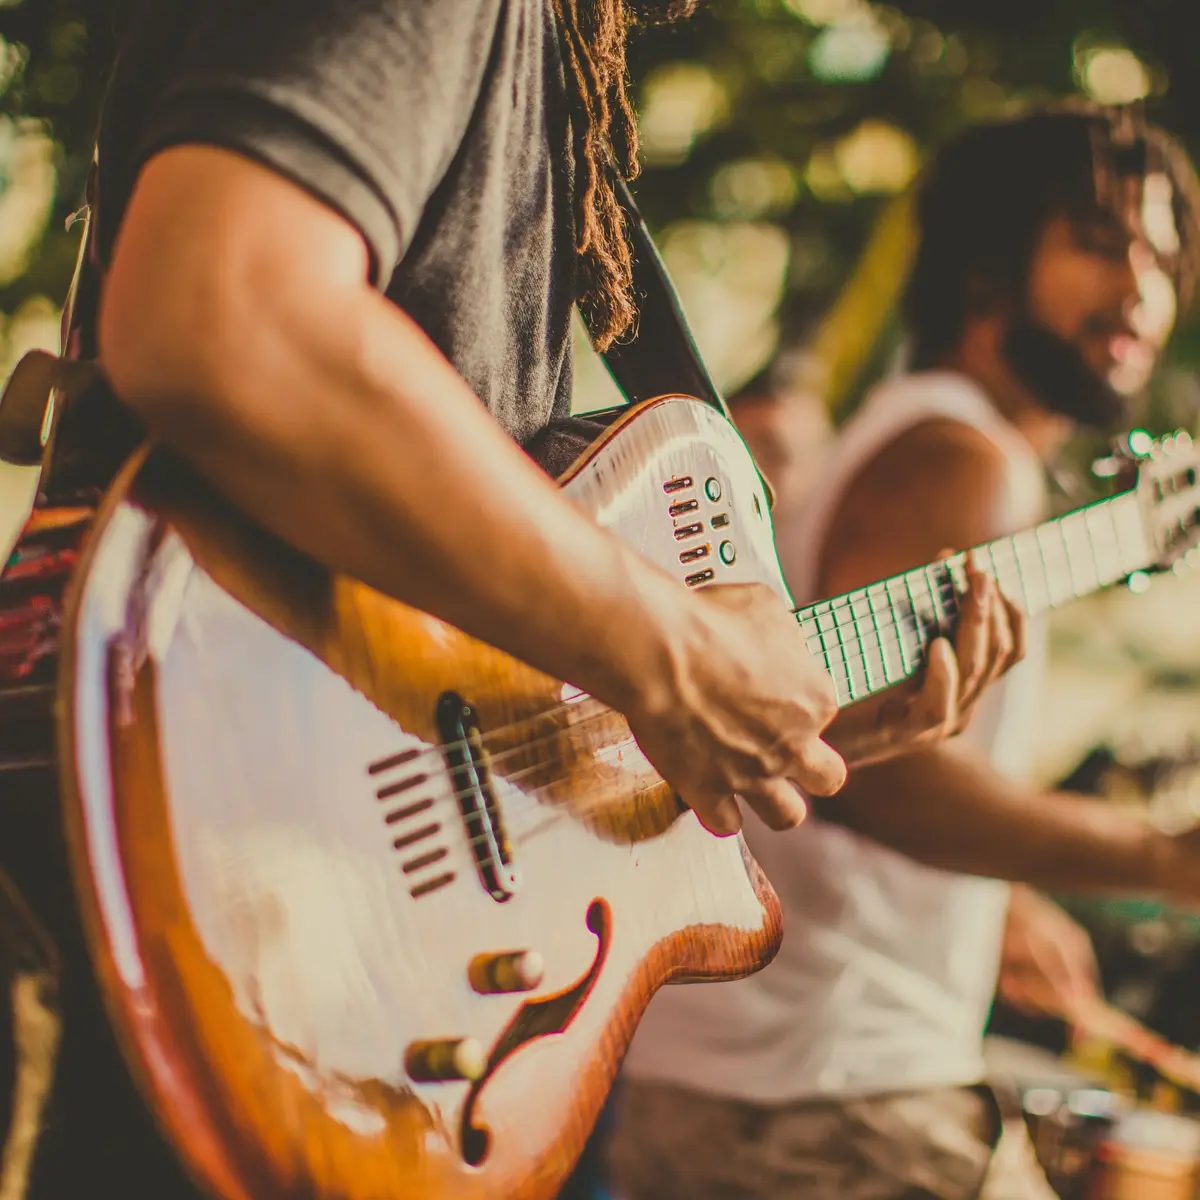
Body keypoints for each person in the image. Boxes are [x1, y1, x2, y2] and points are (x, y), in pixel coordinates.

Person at [0, 2, 1020, 1196]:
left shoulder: (549, 53)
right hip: (219, 882)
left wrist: (778, 712)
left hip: (323, 931)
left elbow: (459, 614)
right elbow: (224, 309)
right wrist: (672, 644)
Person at [608, 104, 1200, 1200]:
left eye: (1162, 253)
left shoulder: (912, 434)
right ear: (989, 263)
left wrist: (1002, 897)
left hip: (765, 1085)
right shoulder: (962, 455)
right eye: (1098, 239)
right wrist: (1166, 859)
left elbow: (834, 728)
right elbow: (865, 784)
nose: (1143, 289)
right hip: (827, 1102)